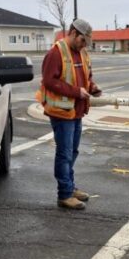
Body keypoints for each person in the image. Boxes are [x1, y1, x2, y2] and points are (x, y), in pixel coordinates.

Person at [36, 18, 101, 210]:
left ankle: (70, 187)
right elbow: (49, 81)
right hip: (61, 112)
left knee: (72, 151)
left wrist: (93, 87)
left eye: (86, 43)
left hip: (76, 111)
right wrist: (76, 92)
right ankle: (64, 194)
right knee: (64, 154)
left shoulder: (82, 53)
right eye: (82, 41)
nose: (83, 46)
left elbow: (87, 77)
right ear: (73, 33)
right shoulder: (56, 53)